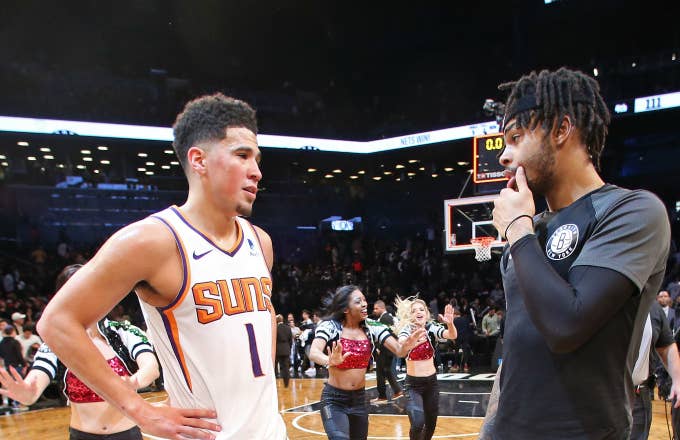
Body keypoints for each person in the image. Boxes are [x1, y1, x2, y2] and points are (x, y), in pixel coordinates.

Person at [37, 93, 287, 440]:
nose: (256, 171)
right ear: (198, 160)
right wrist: (142, 411)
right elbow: (57, 323)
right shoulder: (152, 240)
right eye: (242, 155)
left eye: (257, 158)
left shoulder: (260, 242)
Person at [483, 67, 671, 438]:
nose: (505, 156)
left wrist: (518, 229)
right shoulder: (529, 232)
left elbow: (566, 325)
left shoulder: (632, 211)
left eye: (516, 137)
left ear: (561, 130)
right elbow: (519, 347)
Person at [0, 264, 160, 439]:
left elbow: (151, 367)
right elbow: (36, 379)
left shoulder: (124, 332)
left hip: (126, 434)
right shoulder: (57, 341)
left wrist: (135, 382)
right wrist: (28, 395)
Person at [308, 285, 425, 440]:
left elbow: (399, 350)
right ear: (345, 309)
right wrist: (328, 360)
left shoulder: (372, 326)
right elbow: (314, 352)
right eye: (358, 301)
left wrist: (407, 345)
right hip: (334, 400)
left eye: (364, 300)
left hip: (359, 400)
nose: (364, 304)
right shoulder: (330, 326)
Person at [395, 297, 456, 440]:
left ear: (426, 314)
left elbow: (452, 335)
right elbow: (401, 344)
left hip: (431, 384)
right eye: (414, 310)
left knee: (430, 425)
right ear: (410, 315)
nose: (418, 312)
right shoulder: (407, 330)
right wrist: (412, 341)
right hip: (413, 385)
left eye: (421, 309)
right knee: (417, 423)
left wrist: (450, 324)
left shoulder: (431, 328)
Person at [630, 301, 680, 440]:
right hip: (602, 395)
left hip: (639, 395)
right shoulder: (601, 297)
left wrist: (677, 380)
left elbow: (667, 346)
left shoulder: (653, 308)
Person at [370, 299, 403, 403]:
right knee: (387, 371)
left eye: (376, 308)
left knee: (380, 372)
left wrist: (379, 347)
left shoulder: (385, 318)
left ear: (382, 308)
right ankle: (397, 391)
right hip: (389, 349)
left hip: (385, 349)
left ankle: (382, 396)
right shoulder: (387, 317)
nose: (374, 310)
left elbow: (387, 335)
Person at [275, 314, 293, 387]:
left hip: (277, 350)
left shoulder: (275, 328)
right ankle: (286, 384)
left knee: (275, 367)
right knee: (286, 368)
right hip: (286, 349)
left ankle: (275, 384)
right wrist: (289, 348)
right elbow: (290, 340)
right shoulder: (288, 328)